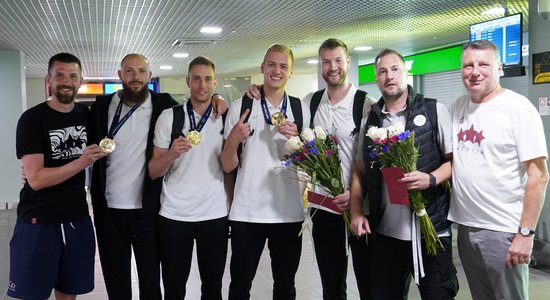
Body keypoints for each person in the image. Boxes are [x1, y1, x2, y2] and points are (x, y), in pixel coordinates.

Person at [89, 53, 227, 300]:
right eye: (129, 71)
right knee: (116, 281)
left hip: (148, 211)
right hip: (109, 210)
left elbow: (198, 100)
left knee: (151, 282)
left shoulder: (163, 105)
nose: (135, 77)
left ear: (149, 76)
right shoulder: (101, 107)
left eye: (141, 71)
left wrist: (217, 97)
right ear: (120, 75)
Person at [246, 38, 375, 299]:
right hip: (324, 206)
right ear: (320, 66)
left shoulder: (366, 104)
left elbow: (375, 160)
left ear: (347, 62)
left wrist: (357, 195)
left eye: (338, 60)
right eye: (326, 62)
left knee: (369, 281)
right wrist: (255, 90)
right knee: (331, 282)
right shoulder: (309, 104)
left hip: (360, 206)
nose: (333, 66)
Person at [350, 48, 458, 299]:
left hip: (431, 230)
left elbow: (453, 164)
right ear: (376, 78)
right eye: (382, 71)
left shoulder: (433, 110)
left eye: (395, 69)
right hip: (386, 235)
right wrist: (356, 211)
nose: (389, 76)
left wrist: (430, 179)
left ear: (406, 72)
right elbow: (360, 170)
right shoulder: (371, 121)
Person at [448, 40, 549, 300]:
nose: (474, 71)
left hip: (503, 230)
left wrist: (525, 234)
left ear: (499, 68)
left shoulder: (518, 108)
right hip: (467, 227)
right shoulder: (458, 107)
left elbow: (539, 175)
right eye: (468, 65)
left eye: (483, 64)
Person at [8, 52, 107, 300]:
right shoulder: (32, 119)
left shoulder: (86, 116)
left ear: (80, 80)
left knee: (68, 293)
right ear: (48, 80)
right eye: (59, 75)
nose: (66, 81)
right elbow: (37, 180)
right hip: (38, 221)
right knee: (32, 294)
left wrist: (215, 98)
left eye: (72, 76)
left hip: (76, 218)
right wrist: (81, 162)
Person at [221, 44, 310, 300]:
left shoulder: (300, 108)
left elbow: (309, 161)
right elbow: (227, 165)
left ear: (291, 72)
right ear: (262, 67)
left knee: (285, 287)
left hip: (288, 212)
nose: (276, 70)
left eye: (283, 66)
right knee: (239, 287)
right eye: (271, 64)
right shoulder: (241, 106)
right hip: (247, 212)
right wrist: (233, 140)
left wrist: (299, 142)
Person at [148, 56, 228, 300]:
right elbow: (153, 170)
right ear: (187, 82)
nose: (201, 85)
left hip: (213, 214)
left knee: (212, 288)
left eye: (207, 79)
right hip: (174, 215)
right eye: (196, 79)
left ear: (214, 83)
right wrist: (172, 153)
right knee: (174, 287)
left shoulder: (225, 115)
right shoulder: (169, 117)